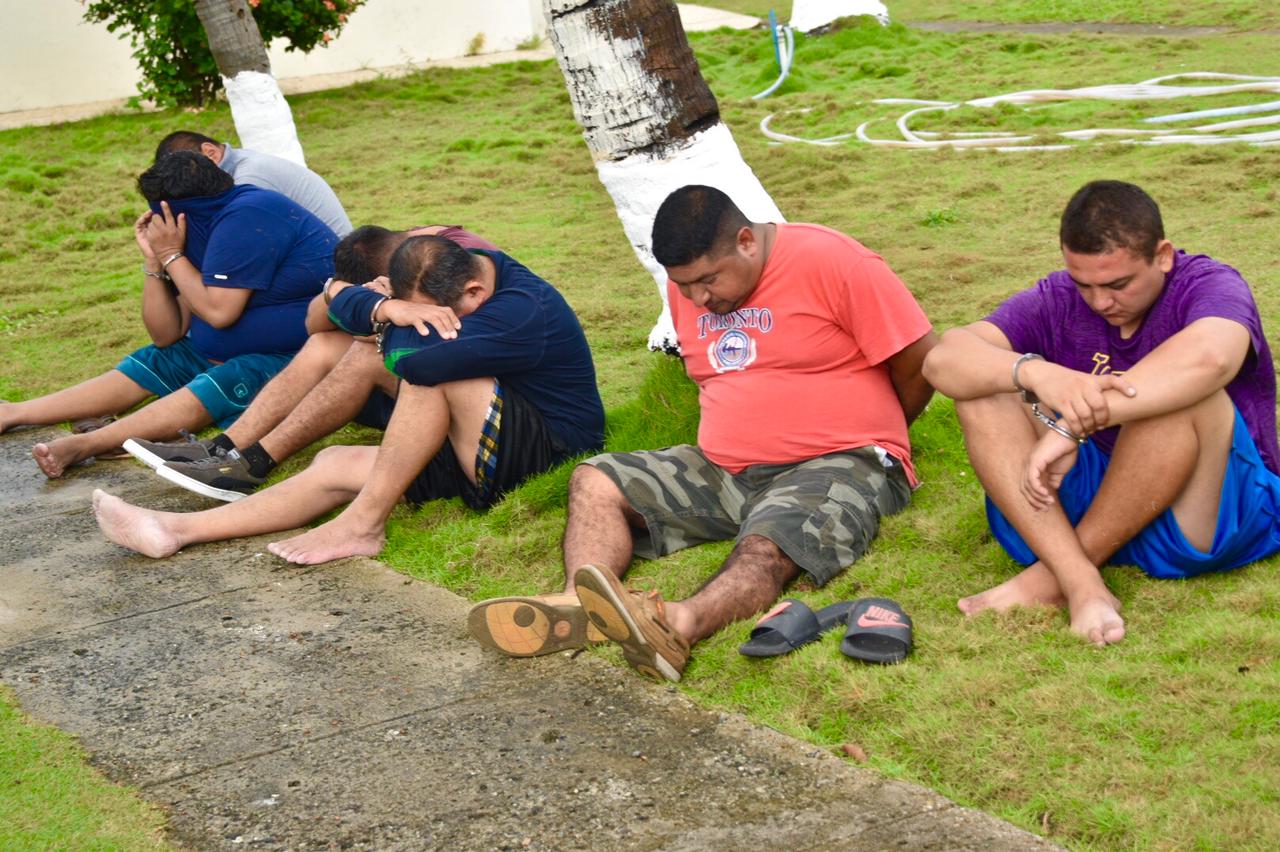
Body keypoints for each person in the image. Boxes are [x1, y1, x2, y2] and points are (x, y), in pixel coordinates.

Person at [469, 184, 937, 681]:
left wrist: (880, 432)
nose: (697, 298)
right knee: (596, 479)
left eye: (707, 280)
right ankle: (580, 606)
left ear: (746, 241)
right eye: (683, 285)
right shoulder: (691, 287)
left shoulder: (836, 262)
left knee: (765, 546)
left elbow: (919, 361)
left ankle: (676, 627)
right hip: (723, 468)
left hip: (835, 461)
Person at [93, 235, 606, 566]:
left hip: (549, 453)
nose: (422, 321)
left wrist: (380, 315)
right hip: (479, 440)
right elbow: (332, 308)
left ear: (473, 293)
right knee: (335, 460)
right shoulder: (462, 276)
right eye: (415, 311)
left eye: (432, 318)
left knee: (430, 372)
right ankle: (175, 528)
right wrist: (385, 309)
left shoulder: (521, 309)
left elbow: (415, 364)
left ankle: (363, 525)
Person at [921, 180, 1280, 647]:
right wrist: (1036, 372)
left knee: (1184, 395)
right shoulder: (1057, 298)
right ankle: (1079, 580)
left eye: (1118, 284)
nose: (1100, 302)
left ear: (1163, 255)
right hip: (1082, 505)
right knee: (984, 386)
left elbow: (1211, 359)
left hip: (1204, 514)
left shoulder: (1208, 283)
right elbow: (942, 360)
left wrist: (1073, 424)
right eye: (1084, 284)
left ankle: (1049, 579)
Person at [1, 152, 336, 478]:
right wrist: (155, 262)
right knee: (157, 360)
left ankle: (87, 444)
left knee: (220, 381)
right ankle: (14, 412)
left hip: (291, 355)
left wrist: (172, 255)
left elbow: (219, 313)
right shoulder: (198, 228)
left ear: (172, 211)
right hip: (217, 349)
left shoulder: (248, 214)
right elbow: (166, 334)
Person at [124, 224, 499, 502]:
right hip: (428, 378)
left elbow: (446, 341)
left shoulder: (452, 264)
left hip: (473, 394)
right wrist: (344, 295)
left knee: (364, 352)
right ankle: (225, 447)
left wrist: (380, 317)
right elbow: (314, 323)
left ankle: (254, 463)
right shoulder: (398, 253)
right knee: (324, 343)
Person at [156, 130, 352, 237]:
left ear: (210, 152)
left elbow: (243, 238)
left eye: (186, 171)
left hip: (335, 271)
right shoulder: (239, 168)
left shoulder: (249, 177)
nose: (188, 183)